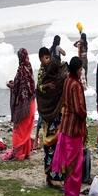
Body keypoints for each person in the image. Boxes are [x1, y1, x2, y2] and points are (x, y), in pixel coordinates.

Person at [52, 57, 87, 196]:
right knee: (75, 163)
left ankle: (68, 191)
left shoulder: (67, 81)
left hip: (65, 125)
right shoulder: (76, 85)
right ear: (78, 70)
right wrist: (85, 115)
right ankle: (71, 195)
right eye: (80, 69)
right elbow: (79, 109)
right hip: (74, 128)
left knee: (67, 161)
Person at [36, 47, 68, 188]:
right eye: (45, 58)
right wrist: (47, 86)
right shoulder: (42, 73)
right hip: (48, 117)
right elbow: (39, 90)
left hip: (56, 117)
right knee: (49, 147)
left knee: (58, 147)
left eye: (48, 58)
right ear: (40, 59)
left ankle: (57, 176)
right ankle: (50, 177)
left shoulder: (56, 73)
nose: (47, 60)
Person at [4, 48, 36, 161]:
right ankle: (26, 153)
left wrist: (10, 85)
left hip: (23, 106)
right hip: (31, 103)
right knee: (26, 128)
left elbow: (18, 87)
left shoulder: (21, 70)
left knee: (19, 128)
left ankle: (19, 154)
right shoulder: (29, 67)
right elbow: (28, 86)